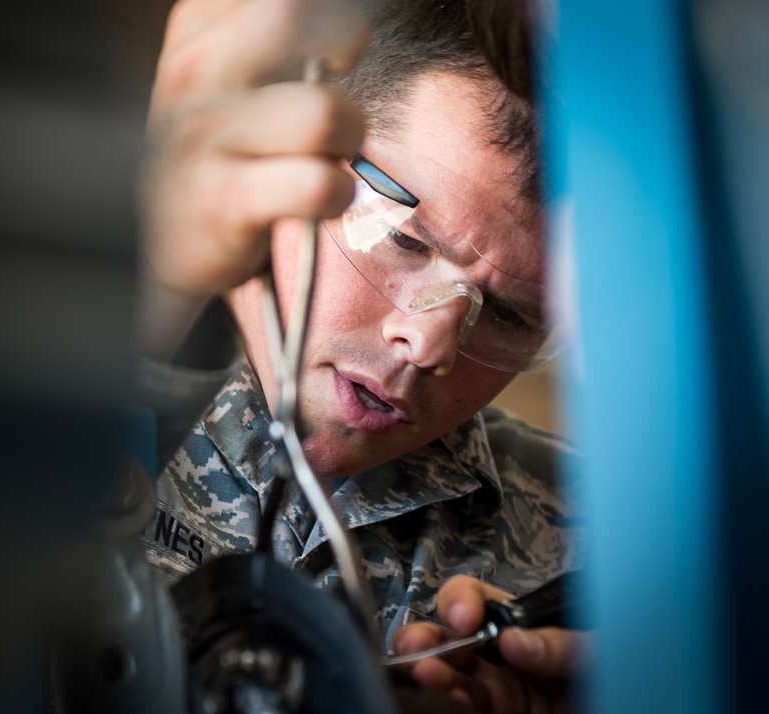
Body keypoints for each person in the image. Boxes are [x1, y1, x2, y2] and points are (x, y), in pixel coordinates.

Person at [135, 0, 588, 711]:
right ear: (289, 148)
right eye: (405, 240)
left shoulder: (600, 568)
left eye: (507, 314)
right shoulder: (47, 373)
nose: (429, 342)